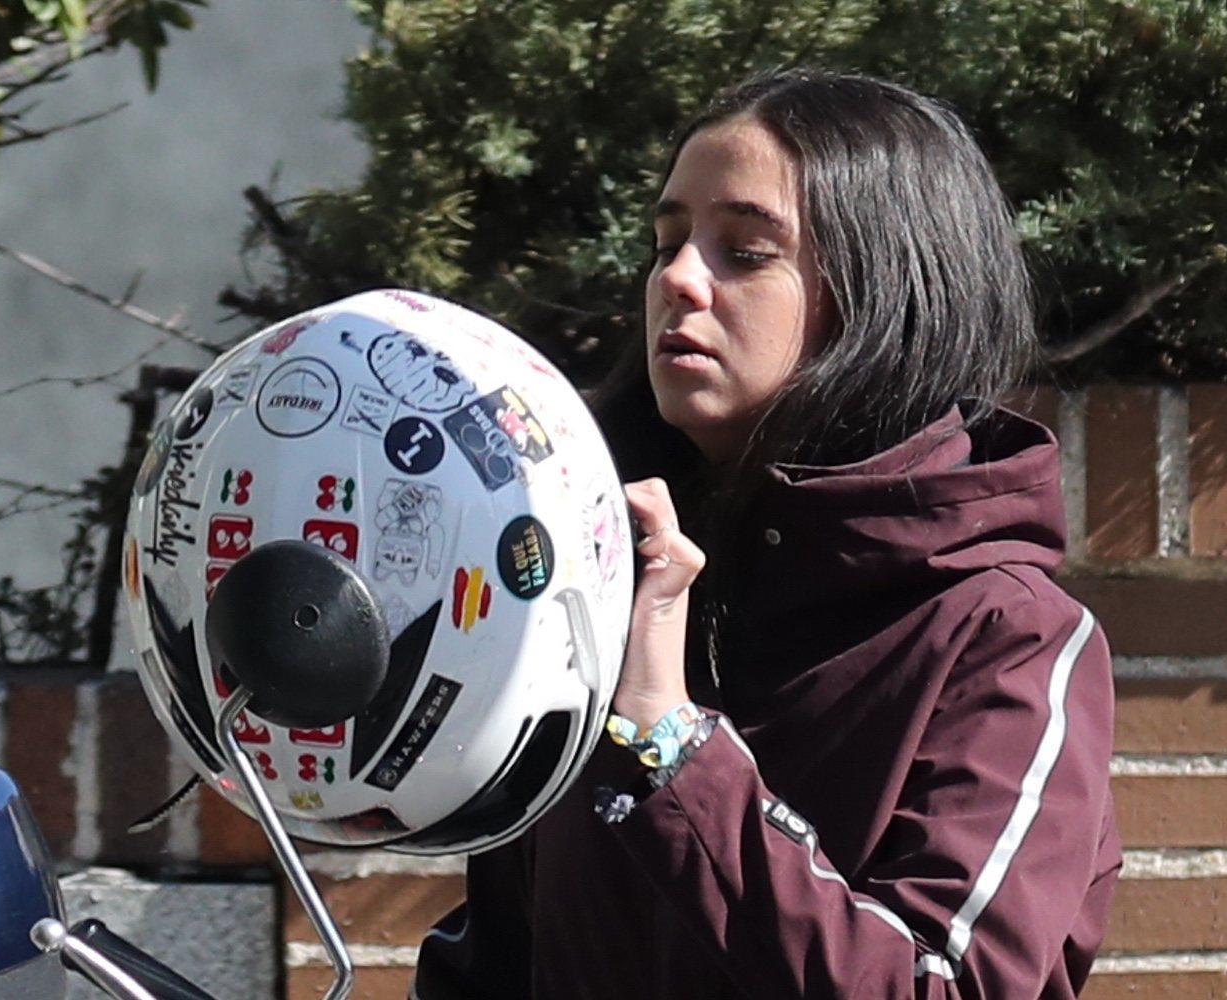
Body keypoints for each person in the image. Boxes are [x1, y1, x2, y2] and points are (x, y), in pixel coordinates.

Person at [412, 67, 1119, 999]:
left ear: (884, 289)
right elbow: (504, 955)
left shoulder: (1008, 634)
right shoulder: (602, 572)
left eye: (743, 252)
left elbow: (950, 986)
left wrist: (671, 744)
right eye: (666, 243)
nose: (676, 279)